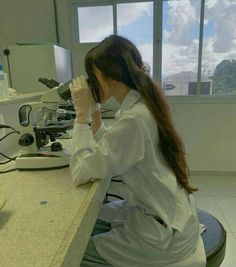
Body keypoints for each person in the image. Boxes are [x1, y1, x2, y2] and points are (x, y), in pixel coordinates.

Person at [69, 35, 206, 267]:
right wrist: (94, 112)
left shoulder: (134, 119)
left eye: (93, 77)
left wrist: (81, 117)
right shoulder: (142, 106)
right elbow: (113, 148)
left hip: (160, 238)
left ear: (109, 78)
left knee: (74, 252)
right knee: (100, 220)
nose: (91, 82)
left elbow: (81, 171)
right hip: (173, 217)